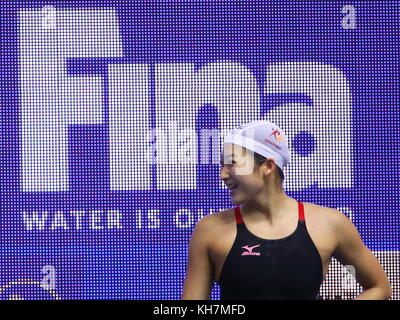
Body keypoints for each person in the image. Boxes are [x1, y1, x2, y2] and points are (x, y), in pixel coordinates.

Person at [181, 120, 392, 300]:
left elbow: (379, 287)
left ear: (268, 166)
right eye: (221, 165)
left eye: (232, 163)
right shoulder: (209, 230)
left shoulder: (331, 224)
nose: (222, 175)